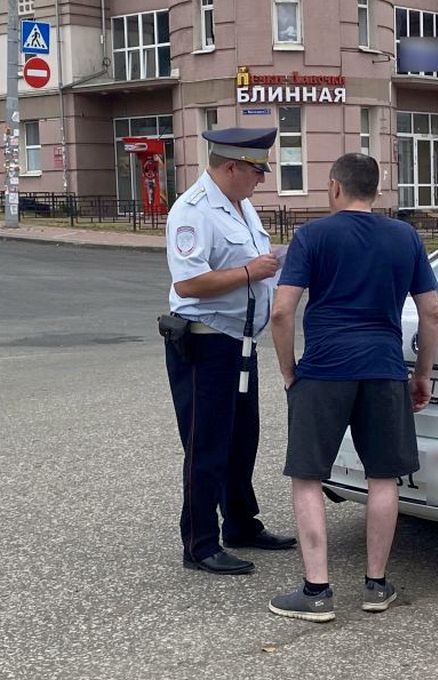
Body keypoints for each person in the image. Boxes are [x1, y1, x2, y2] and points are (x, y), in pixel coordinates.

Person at [268, 153, 438, 622]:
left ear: (334, 187)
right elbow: (430, 313)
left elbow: (282, 312)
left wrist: (289, 372)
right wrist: (422, 373)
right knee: (383, 476)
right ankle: (376, 586)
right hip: (384, 369)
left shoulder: (312, 236)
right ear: (376, 189)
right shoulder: (405, 236)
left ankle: (317, 592)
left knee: (308, 476)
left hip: (323, 371)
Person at [164, 127, 297, 576]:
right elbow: (188, 283)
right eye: (257, 170)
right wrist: (248, 271)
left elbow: (258, 267)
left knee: (243, 439)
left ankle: (241, 523)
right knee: (207, 444)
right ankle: (200, 543)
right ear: (230, 167)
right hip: (206, 343)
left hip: (240, 341)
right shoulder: (193, 210)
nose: (262, 178)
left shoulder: (242, 206)